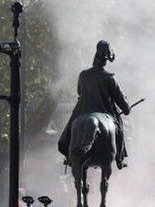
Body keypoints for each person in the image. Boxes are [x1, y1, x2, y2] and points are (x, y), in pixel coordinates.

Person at [57, 40, 133, 169]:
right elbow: (122, 104)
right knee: (119, 129)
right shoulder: (109, 78)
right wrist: (127, 107)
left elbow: (79, 92)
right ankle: (120, 159)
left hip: (82, 111)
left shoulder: (83, 75)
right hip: (105, 112)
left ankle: (69, 156)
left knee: (69, 130)